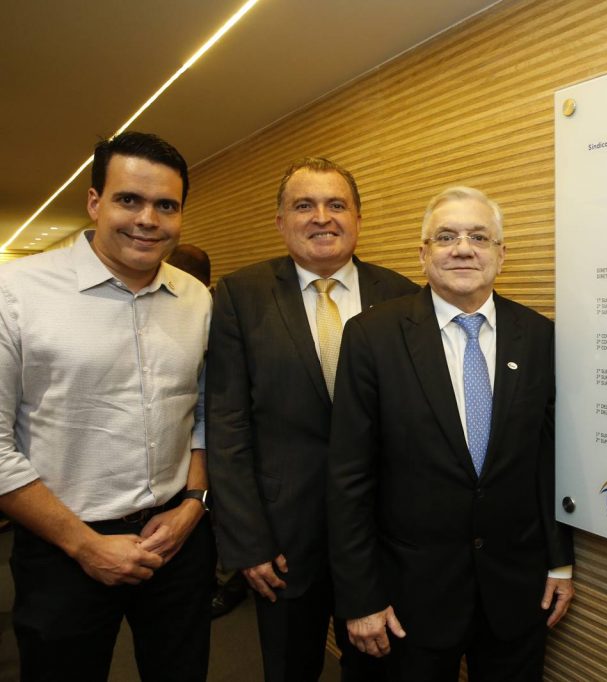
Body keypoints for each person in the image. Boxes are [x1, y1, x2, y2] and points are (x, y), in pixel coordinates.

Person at [328, 186, 575, 681]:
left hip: (516, 591)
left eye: (479, 237)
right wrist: (360, 596)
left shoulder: (539, 336)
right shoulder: (372, 336)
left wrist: (559, 562)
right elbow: (349, 475)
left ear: (501, 254)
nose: (463, 249)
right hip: (408, 598)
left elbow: (548, 459)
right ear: (423, 254)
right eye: (446, 237)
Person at [0, 131, 215, 681]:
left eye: (165, 205)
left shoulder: (196, 299)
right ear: (94, 202)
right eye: (129, 199)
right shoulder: (15, 291)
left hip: (176, 541)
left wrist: (193, 503)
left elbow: (203, 413)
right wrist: (85, 545)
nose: (147, 219)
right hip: (62, 549)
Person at [205, 157, 418, 681]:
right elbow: (227, 423)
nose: (322, 217)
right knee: (290, 667)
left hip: (383, 534)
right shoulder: (239, 296)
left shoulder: (403, 295)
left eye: (336, 204)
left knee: (380, 669)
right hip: (284, 538)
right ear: (281, 222)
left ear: (358, 218)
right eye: (304, 205)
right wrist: (247, 541)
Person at [165, 243, 250, 620]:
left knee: (220, 515)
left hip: (218, 436)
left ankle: (228, 582)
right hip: (199, 437)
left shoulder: (214, 309)